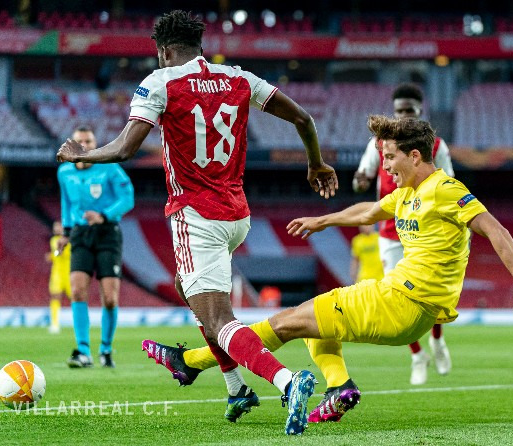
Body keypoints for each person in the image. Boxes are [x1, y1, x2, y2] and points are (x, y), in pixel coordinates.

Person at [145, 115, 513, 426]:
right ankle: (339, 388)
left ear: (415, 156)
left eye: (390, 157)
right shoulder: (408, 193)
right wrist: (323, 220)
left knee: (287, 322)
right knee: (314, 327)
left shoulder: (445, 189)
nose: (386, 167)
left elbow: (497, 231)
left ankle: (191, 361)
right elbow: (368, 211)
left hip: (402, 300)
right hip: (411, 309)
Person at [56, 10, 338, 435]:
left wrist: (82, 155)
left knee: (219, 318)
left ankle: (287, 381)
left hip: (196, 214)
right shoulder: (239, 78)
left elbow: (125, 148)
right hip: (237, 214)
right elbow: (304, 118)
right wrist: (315, 163)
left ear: (164, 51)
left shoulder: (160, 82)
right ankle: (235, 388)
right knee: (188, 288)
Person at [353, 83, 455, 385]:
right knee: (398, 299)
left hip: (426, 229)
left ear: (419, 110)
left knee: (431, 293)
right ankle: (417, 355)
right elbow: (363, 175)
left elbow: (449, 183)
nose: (404, 115)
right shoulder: (379, 144)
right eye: (399, 110)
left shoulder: (436, 146)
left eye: (409, 110)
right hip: (390, 231)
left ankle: (437, 339)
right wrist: (360, 181)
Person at [57, 125, 134, 369]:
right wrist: (66, 233)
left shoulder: (109, 168)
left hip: (107, 233)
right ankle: (83, 352)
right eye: (79, 141)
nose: (84, 145)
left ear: (95, 144)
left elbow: (128, 198)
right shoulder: (64, 172)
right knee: (77, 290)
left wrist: (103, 215)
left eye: (89, 141)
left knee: (109, 298)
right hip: (80, 234)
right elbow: (66, 204)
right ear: (72, 145)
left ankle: (106, 349)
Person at [44, 220, 71, 334]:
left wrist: (53, 255)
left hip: (69, 272)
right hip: (57, 273)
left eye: (58, 226)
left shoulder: (69, 239)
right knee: (55, 296)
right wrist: (53, 255)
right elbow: (57, 253)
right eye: (55, 227)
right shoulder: (54, 240)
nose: (56, 229)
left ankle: (81, 322)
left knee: (76, 298)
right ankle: (55, 324)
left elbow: (60, 253)